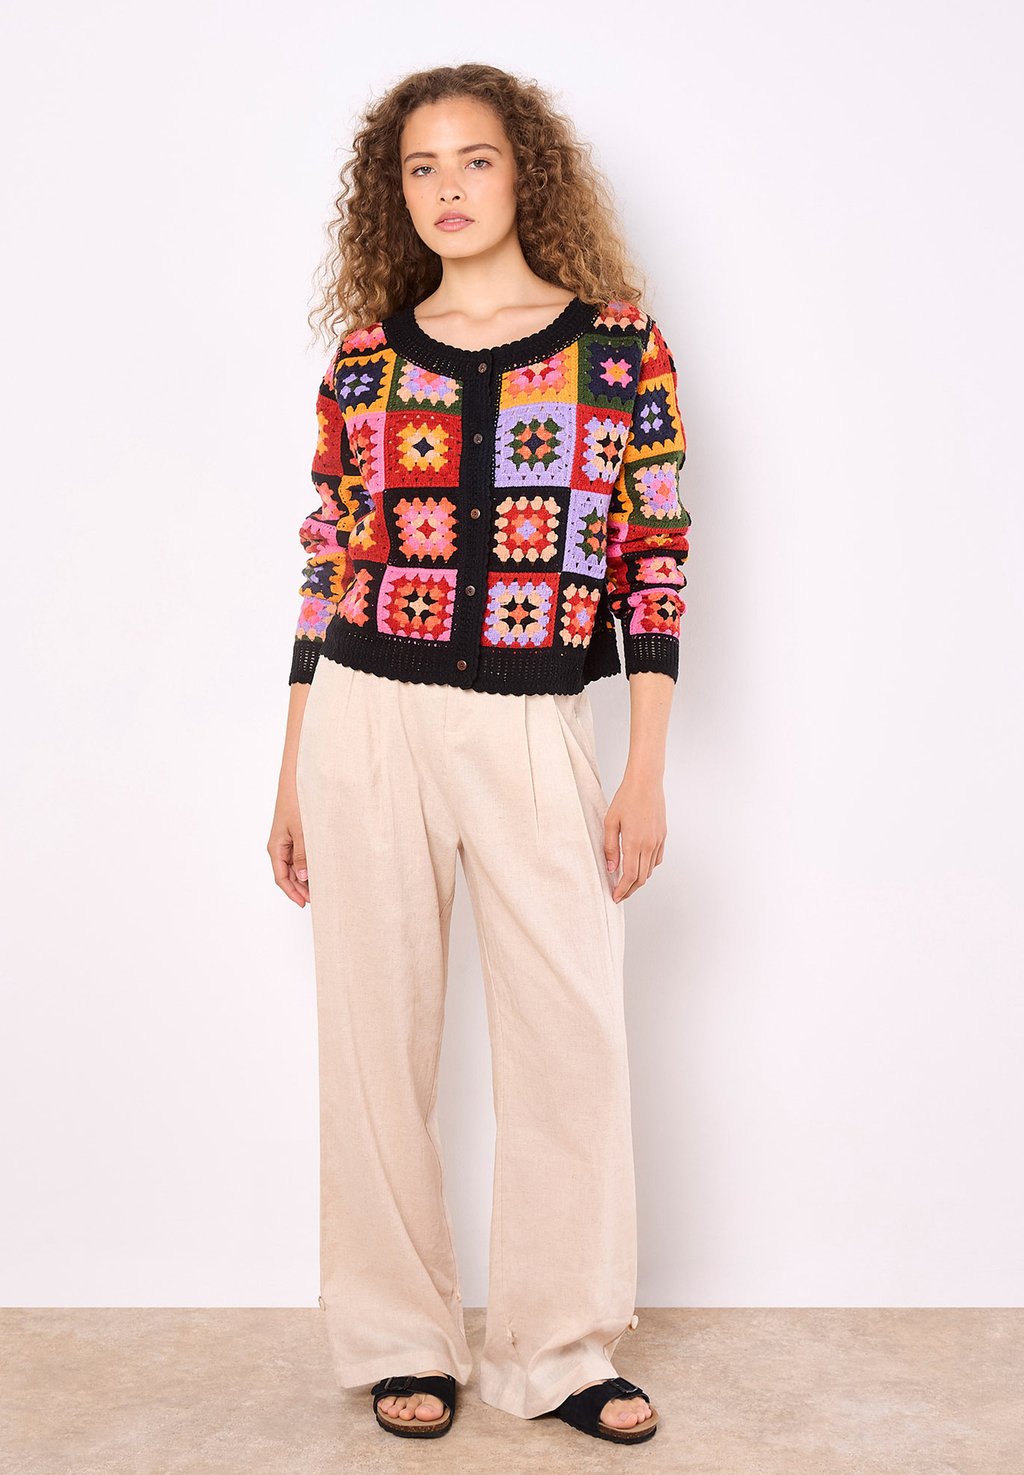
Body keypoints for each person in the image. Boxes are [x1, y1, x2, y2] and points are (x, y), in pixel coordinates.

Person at [267, 63, 691, 1447]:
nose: (447, 188)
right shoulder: (367, 361)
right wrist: (290, 768)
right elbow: (327, 563)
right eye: (420, 167)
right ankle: (400, 1335)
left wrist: (644, 769)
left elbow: (654, 560)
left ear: (528, 175)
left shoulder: (617, 350)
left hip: (533, 721)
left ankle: (558, 1350)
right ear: (392, 194)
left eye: (476, 160)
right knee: (373, 1042)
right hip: (366, 716)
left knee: (569, 1037)